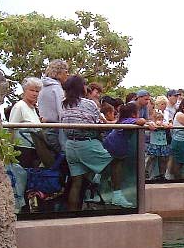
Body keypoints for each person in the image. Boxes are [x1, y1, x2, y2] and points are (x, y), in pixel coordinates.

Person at [60, 75, 134, 209]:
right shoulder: (89, 103)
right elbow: (98, 125)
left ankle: (72, 215)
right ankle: (116, 195)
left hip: (70, 145)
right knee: (117, 160)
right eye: (84, 85)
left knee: (76, 181)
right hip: (86, 143)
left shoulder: (63, 104)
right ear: (80, 87)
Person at [8, 77, 55, 168]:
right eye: (32, 90)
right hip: (21, 149)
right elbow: (11, 128)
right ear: (25, 90)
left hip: (35, 149)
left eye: (37, 91)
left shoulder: (34, 109)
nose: (34, 94)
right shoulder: (19, 106)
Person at [37, 59, 69, 153]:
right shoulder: (56, 88)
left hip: (45, 130)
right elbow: (62, 113)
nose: (67, 75)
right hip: (55, 131)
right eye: (66, 72)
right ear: (59, 73)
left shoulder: (42, 88)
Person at [145, 110, 172, 181]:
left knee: (163, 159)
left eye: (161, 119)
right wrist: (155, 124)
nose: (160, 121)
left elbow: (170, 124)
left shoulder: (165, 124)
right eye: (158, 119)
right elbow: (148, 124)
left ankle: (162, 174)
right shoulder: (151, 124)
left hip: (163, 144)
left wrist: (167, 125)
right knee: (151, 157)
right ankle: (145, 170)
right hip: (154, 143)